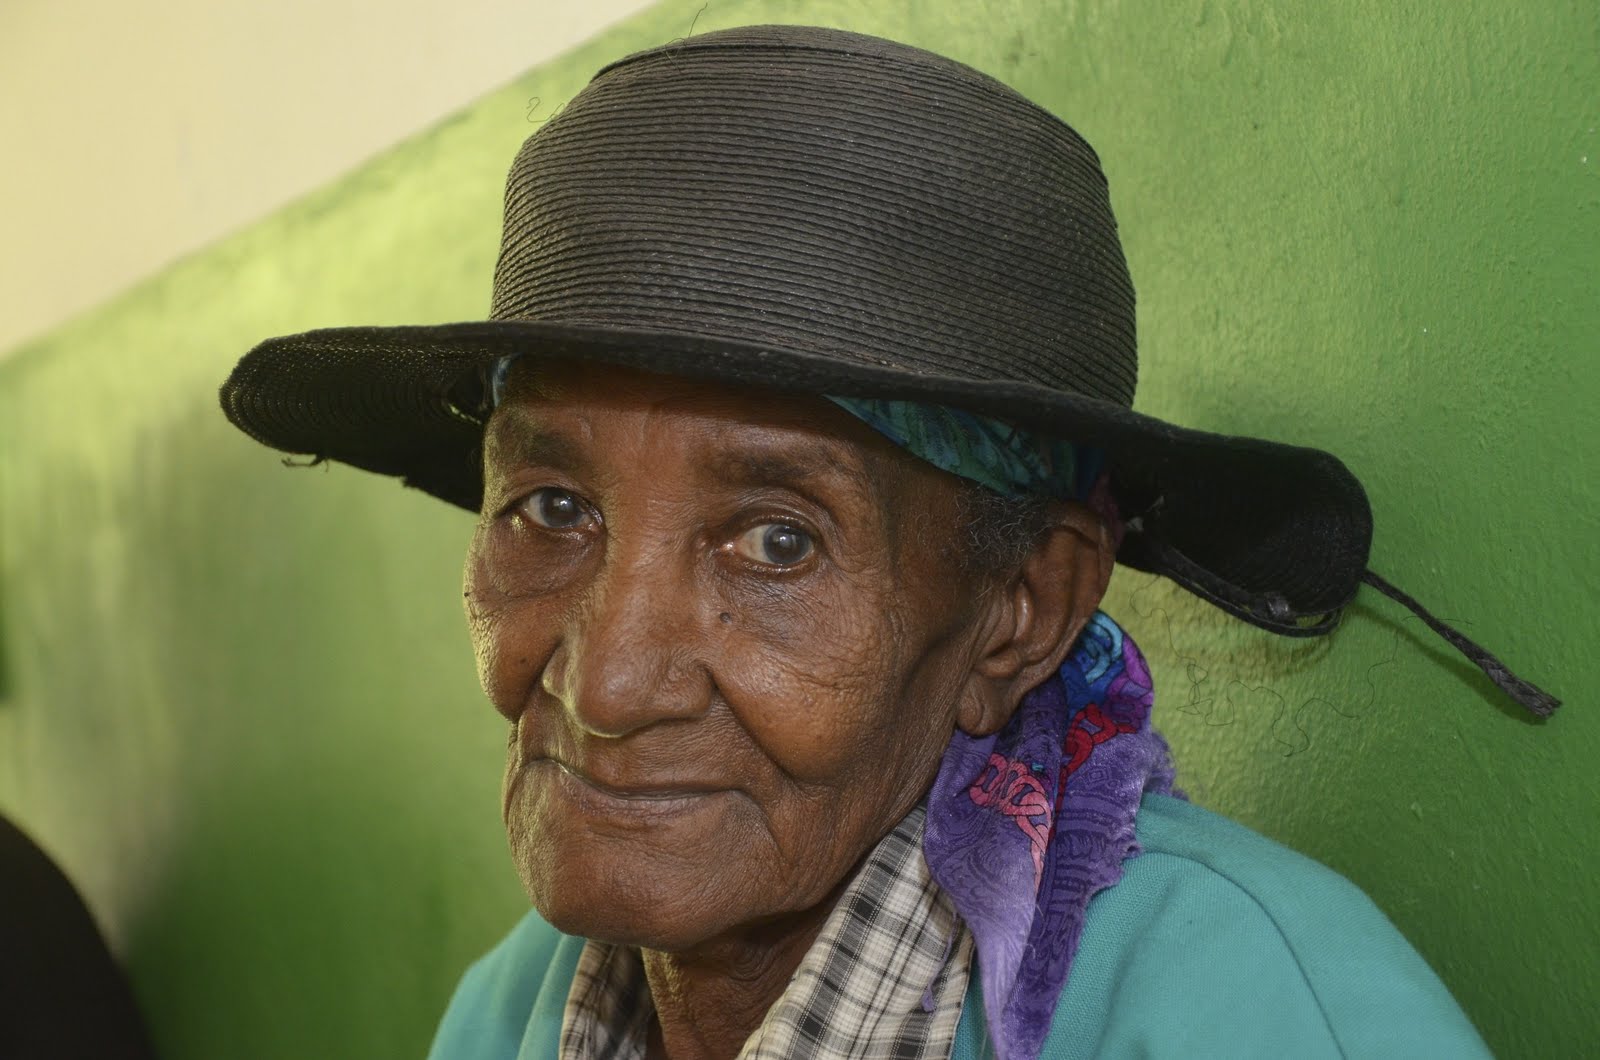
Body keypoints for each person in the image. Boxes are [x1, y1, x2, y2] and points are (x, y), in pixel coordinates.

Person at [220, 24, 1555, 1060]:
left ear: (1022, 611)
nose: (608, 684)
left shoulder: (1237, 1011)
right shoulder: (514, 1011)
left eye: (777, 545)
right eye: (552, 510)